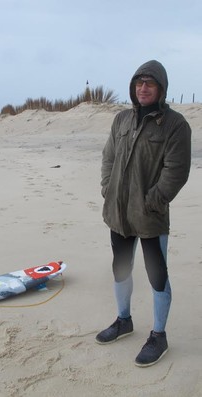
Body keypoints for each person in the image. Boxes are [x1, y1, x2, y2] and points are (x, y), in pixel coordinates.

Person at [96, 60, 191, 367]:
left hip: (150, 214)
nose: (143, 88)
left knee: (157, 275)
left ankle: (159, 336)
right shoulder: (121, 119)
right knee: (120, 269)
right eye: (139, 83)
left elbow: (176, 170)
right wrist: (107, 188)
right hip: (118, 212)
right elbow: (109, 156)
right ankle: (124, 321)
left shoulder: (176, 125)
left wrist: (154, 200)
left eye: (149, 83)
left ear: (161, 88)